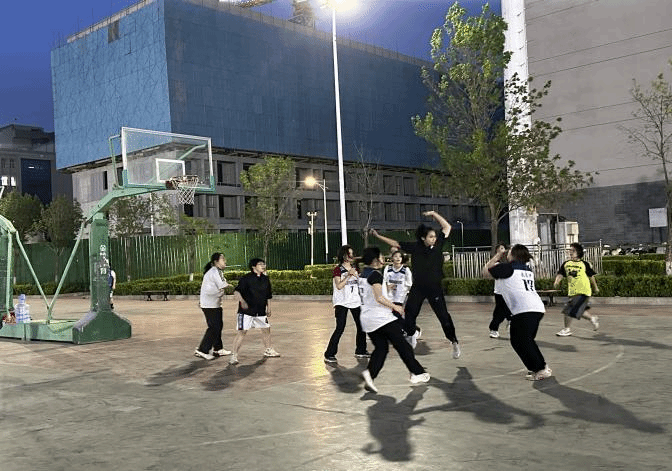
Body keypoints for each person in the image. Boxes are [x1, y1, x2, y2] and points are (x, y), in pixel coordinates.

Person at [371, 210, 461, 359]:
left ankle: (454, 341)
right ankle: (412, 334)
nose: (433, 239)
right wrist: (378, 236)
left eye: (434, 236)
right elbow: (395, 243)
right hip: (418, 288)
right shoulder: (415, 247)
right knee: (409, 315)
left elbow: (447, 227)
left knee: (444, 317)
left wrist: (434, 214)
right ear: (423, 238)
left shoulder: (438, 244)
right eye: (430, 237)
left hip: (435, 289)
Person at [358, 246, 429, 393]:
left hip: (367, 319)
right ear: (375, 259)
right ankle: (417, 373)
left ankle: (370, 374)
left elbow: (372, 294)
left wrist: (386, 289)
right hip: (380, 318)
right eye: (381, 256)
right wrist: (395, 307)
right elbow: (379, 298)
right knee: (403, 345)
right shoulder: (375, 274)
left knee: (382, 348)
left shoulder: (363, 274)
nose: (384, 258)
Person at [483, 244, 552, 381]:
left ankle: (541, 368)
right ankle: (538, 367)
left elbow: (485, 272)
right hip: (535, 308)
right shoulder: (527, 269)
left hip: (524, 310)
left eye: (509, 252)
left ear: (513, 255)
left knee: (521, 341)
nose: (507, 254)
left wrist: (497, 256)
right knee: (523, 341)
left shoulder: (508, 268)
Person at [229, 258, 280, 365]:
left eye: (263, 264)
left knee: (266, 329)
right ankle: (234, 355)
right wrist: (242, 301)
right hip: (246, 311)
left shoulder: (265, 279)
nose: (263, 266)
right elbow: (237, 292)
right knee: (242, 332)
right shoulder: (246, 278)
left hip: (260, 311)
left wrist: (269, 308)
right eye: (260, 264)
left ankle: (268, 350)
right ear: (253, 267)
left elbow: (268, 295)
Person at [324, 245, 369, 363]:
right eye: (350, 254)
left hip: (355, 301)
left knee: (361, 326)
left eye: (352, 254)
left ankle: (361, 350)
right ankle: (329, 354)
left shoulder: (355, 268)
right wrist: (349, 275)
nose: (352, 256)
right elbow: (339, 286)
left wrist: (357, 276)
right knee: (340, 327)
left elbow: (360, 283)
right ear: (344, 255)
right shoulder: (338, 269)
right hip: (342, 302)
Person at [553, 242, 600, 337]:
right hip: (572, 291)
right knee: (578, 311)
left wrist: (595, 287)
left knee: (569, 309)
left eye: (573, 251)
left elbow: (591, 276)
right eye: (570, 250)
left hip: (583, 291)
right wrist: (556, 282)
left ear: (578, 252)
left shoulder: (584, 264)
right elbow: (560, 274)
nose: (570, 252)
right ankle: (592, 318)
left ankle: (567, 329)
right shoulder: (566, 264)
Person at [194, 253, 232, 360]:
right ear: (216, 262)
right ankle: (202, 350)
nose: (225, 261)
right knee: (214, 327)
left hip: (213, 304)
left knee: (218, 326)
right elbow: (223, 285)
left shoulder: (216, 271)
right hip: (210, 305)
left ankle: (218, 349)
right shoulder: (215, 271)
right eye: (222, 259)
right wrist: (235, 287)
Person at [487, 243, 512, 339]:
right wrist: (498, 256)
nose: (502, 250)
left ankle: (511, 326)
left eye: (503, 248)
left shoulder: (511, 265)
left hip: (510, 292)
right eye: (499, 249)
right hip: (499, 292)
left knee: (511, 311)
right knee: (499, 312)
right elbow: (487, 270)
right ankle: (494, 329)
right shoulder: (496, 264)